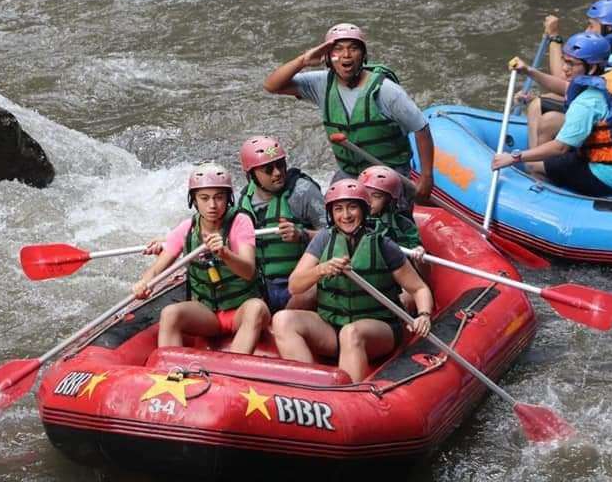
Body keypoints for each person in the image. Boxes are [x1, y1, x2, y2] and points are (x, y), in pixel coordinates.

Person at [271, 179, 434, 383]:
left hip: (378, 330)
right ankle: (311, 387)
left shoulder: (384, 244)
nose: (346, 215)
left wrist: (424, 315)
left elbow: (419, 288)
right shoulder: (323, 239)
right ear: (331, 214)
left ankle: (347, 396)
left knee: (351, 332)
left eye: (352, 207)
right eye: (338, 209)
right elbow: (295, 285)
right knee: (282, 319)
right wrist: (321, 269)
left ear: (364, 210)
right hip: (332, 326)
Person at [263, 23, 435, 205]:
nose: (346, 55)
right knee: (335, 214)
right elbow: (272, 86)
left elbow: (421, 128)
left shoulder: (387, 91)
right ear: (328, 57)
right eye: (338, 49)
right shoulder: (320, 84)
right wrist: (303, 60)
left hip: (390, 175)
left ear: (363, 56)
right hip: (350, 173)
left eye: (353, 49)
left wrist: (426, 177)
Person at [494, 32, 612, 197]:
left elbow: (560, 147)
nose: (564, 68)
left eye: (571, 63)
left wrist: (515, 157)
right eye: (564, 60)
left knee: (534, 165)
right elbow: (567, 88)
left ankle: (543, 200)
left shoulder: (587, 102)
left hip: (609, 180)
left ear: (591, 67)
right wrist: (528, 71)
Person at [133, 162, 270, 354]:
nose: (212, 205)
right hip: (208, 315)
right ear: (194, 200)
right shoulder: (187, 229)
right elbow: (158, 268)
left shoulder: (240, 222)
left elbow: (248, 271)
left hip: (241, 310)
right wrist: (144, 283)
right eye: (204, 198)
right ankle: (170, 371)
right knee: (170, 313)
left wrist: (225, 253)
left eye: (219, 197)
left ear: (228, 198)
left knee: (257, 308)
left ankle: (231, 372)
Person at [519, 0, 612, 148]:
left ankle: (534, 165)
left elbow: (564, 80)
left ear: (608, 29)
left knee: (539, 107)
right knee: (544, 98)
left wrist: (555, 37)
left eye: (591, 25)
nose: (587, 30)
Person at [236, 136, 325, 312]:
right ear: (251, 174)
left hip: (300, 284)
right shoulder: (244, 199)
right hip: (262, 286)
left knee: (309, 294)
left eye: (281, 165)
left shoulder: (303, 192)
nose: (277, 173)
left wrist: (303, 235)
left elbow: (336, 236)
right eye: (268, 169)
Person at [358, 165, 426, 312]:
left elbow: (415, 244)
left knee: (407, 299)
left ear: (389, 200)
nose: (369, 201)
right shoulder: (351, 220)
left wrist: (418, 250)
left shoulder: (402, 223)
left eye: (376, 196)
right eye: (365, 194)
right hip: (365, 275)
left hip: (398, 276)